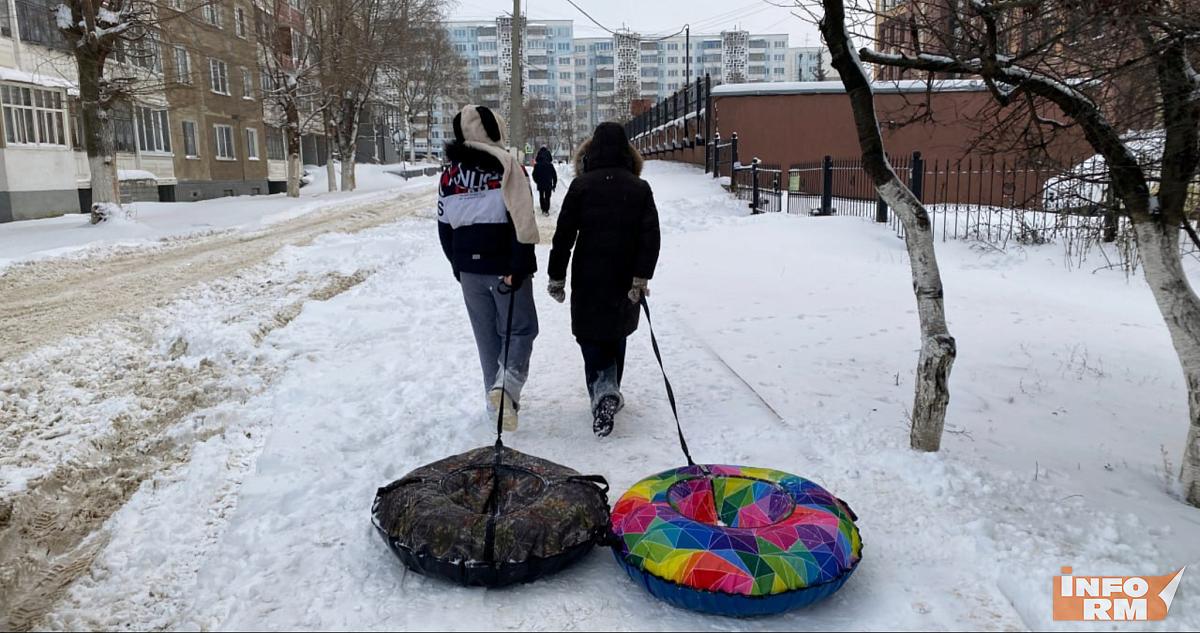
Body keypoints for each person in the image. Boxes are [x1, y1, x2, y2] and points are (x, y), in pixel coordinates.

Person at [547, 123, 660, 437]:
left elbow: (563, 235)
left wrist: (556, 275)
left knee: (589, 335)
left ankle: (603, 389)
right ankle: (609, 390)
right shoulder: (639, 188)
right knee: (617, 333)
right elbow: (650, 237)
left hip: (589, 274)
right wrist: (641, 277)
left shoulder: (581, 186)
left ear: (591, 153)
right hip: (625, 276)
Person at [438, 105, 541, 431]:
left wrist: (458, 266)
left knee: (487, 340)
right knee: (521, 330)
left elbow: (444, 226)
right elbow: (522, 218)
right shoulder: (507, 165)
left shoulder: (449, 173)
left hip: (468, 270)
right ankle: (506, 389)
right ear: (495, 128)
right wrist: (520, 264)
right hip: (504, 266)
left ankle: (494, 407)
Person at [532, 146, 557, 216]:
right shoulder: (550, 165)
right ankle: (546, 209)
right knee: (547, 196)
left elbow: (534, 175)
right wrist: (554, 184)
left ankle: (543, 208)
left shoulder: (537, 165)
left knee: (541, 196)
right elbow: (554, 175)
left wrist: (537, 181)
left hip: (540, 183)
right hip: (548, 183)